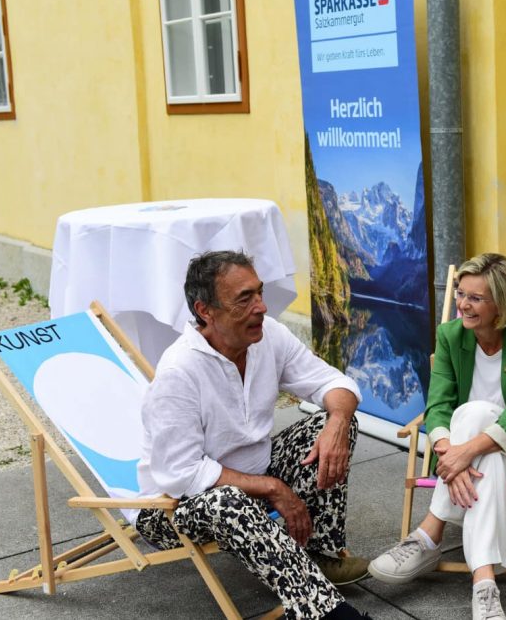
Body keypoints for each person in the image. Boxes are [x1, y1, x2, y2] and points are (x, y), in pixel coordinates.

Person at [134, 250, 372, 620]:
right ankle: (321, 610)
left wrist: (338, 423)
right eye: (244, 299)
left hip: (257, 475)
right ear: (205, 310)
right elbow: (181, 474)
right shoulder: (179, 372)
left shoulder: (268, 336)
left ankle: (318, 553)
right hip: (173, 507)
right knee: (229, 500)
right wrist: (273, 489)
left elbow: (333, 382)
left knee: (332, 422)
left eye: (258, 293)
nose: (260, 307)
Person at [367, 253, 506, 620]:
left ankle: (429, 534)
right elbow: (439, 403)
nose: (462, 304)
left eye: (476, 298)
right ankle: (484, 584)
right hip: (478, 455)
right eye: (461, 293)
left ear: (502, 304)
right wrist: (453, 453)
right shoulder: (449, 336)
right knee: (484, 452)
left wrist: (459, 455)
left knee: (475, 413)